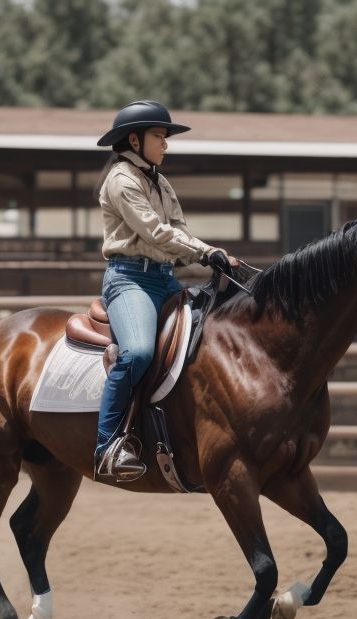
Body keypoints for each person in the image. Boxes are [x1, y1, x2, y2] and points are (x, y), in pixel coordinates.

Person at [93, 100, 236, 482]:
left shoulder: (161, 181)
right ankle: (107, 446)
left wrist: (210, 254)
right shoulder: (121, 180)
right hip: (130, 279)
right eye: (159, 136)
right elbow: (156, 232)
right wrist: (206, 252)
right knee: (137, 353)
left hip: (164, 277)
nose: (166, 144)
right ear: (134, 140)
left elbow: (179, 231)